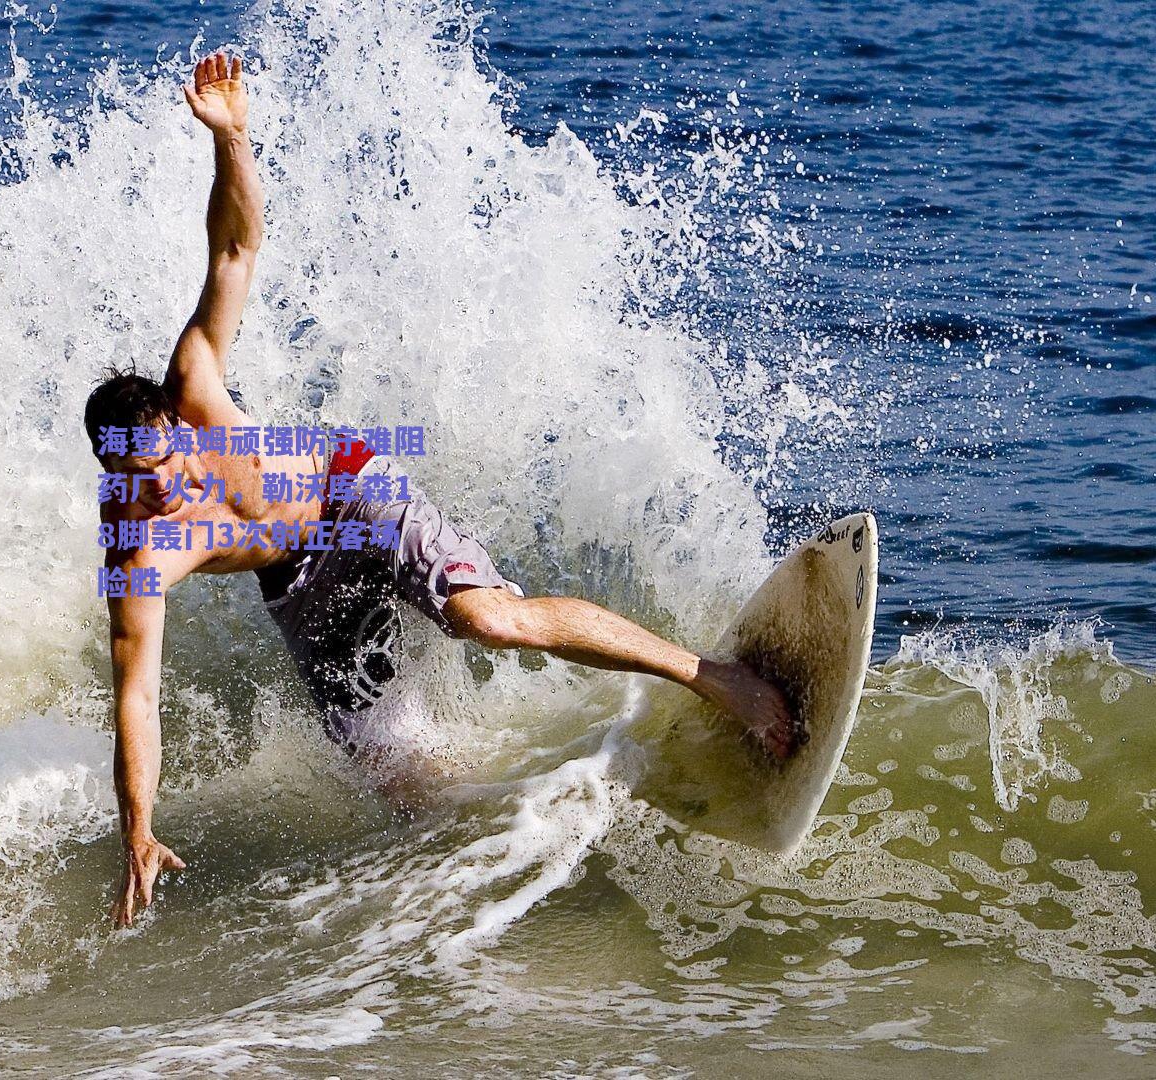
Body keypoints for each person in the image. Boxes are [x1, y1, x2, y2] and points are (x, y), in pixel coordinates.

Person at [85, 52, 797, 928]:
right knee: (409, 791)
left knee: (487, 619)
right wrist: (140, 830)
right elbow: (138, 700)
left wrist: (232, 140)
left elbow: (235, 247)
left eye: (165, 467)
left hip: (350, 493)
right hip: (298, 583)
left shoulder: (194, 382)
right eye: (137, 481)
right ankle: (549, 853)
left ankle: (713, 677)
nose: (161, 490)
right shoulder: (138, 557)